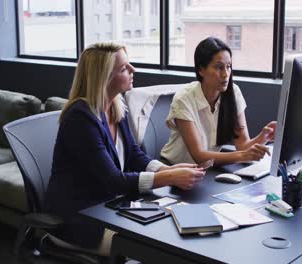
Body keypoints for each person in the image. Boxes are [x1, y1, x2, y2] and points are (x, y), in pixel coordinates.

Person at [43, 43, 206, 256]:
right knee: (160, 248)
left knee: (172, 231)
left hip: (108, 208)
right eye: (124, 68)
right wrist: (169, 177)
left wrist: (166, 169)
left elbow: (134, 155)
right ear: (103, 78)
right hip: (78, 220)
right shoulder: (80, 117)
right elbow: (113, 180)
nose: (133, 70)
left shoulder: (116, 106)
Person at [160, 37, 276, 166]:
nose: (226, 74)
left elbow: (243, 147)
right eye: (219, 67)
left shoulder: (233, 93)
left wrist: (264, 137)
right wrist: (243, 155)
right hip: (173, 169)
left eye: (229, 66)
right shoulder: (183, 99)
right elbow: (199, 155)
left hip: (205, 170)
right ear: (201, 70)